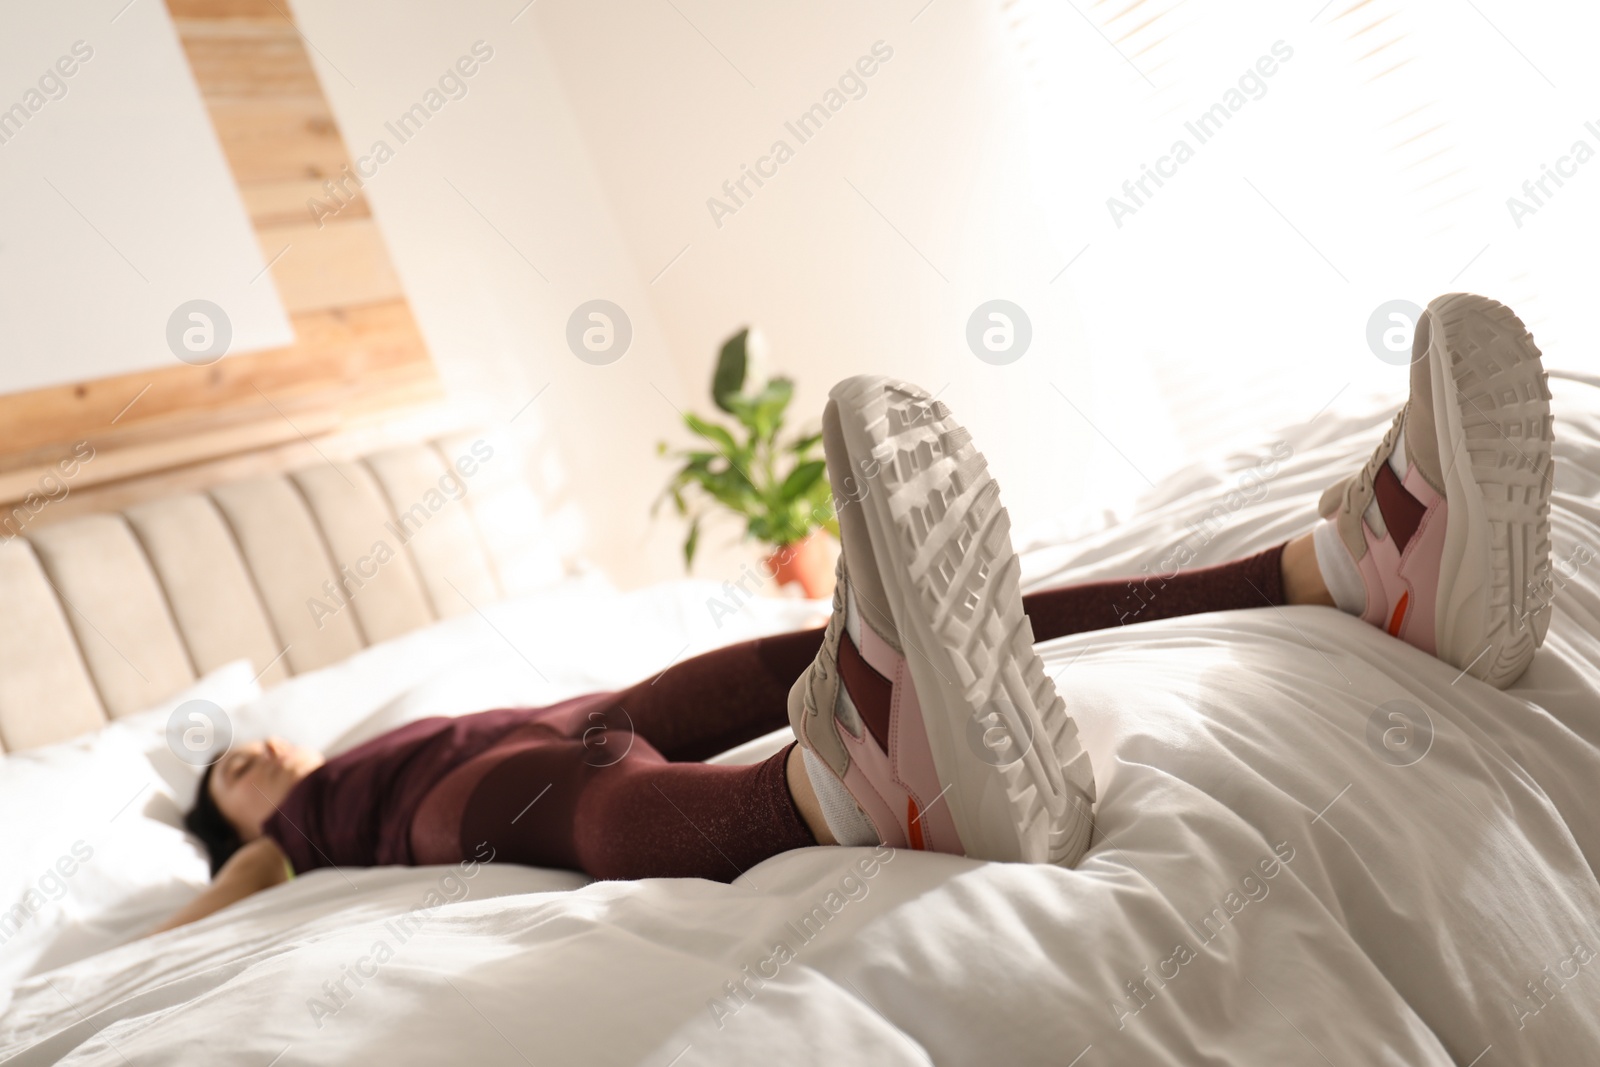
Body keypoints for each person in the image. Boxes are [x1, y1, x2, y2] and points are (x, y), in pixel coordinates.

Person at [153, 292, 1555, 936]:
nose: (262, 756)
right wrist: (179, 909)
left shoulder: (353, 737)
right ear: (238, 813)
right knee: (591, 811)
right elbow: (231, 891)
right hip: (471, 802)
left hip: (571, 707)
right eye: (234, 772)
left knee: (795, 648)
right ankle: (844, 794)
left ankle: (1346, 571)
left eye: (255, 746)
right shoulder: (308, 826)